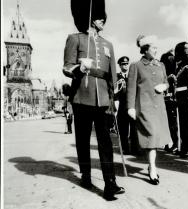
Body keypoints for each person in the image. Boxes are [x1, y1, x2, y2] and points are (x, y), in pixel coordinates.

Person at [63, 0, 124, 201]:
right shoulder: (75, 39)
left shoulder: (108, 44)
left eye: (103, 17)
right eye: (99, 17)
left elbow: (112, 74)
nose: (103, 20)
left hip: (103, 99)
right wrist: (79, 69)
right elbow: (66, 67)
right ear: (90, 18)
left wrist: (113, 97)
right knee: (82, 140)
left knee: (105, 142)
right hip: (82, 96)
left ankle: (110, 183)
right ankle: (86, 174)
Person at [127, 35, 172, 185]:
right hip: (144, 107)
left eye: (157, 48)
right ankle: (153, 168)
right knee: (152, 135)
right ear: (145, 49)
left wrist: (164, 87)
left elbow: (166, 82)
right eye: (153, 48)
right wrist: (130, 107)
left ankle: (151, 165)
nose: (156, 50)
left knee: (155, 138)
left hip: (159, 107)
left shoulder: (161, 65)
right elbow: (131, 88)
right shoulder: (136, 66)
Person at [114, 56, 139, 155]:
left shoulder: (132, 76)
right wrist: (115, 103)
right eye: (123, 64)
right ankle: (125, 148)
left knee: (134, 128)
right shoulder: (116, 77)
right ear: (119, 65)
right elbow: (115, 92)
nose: (125, 65)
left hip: (132, 105)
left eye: (127, 64)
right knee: (123, 129)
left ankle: (135, 148)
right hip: (122, 105)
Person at [175, 42, 188, 158]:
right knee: (182, 125)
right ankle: (184, 146)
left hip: (186, 99)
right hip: (180, 99)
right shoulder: (180, 67)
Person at [160, 50, 179, 153]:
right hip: (166, 101)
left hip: (172, 101)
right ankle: (168, 143)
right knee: (167, 124)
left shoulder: (172, 76)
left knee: (173, 125)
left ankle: (175, 143)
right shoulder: (165, 76)